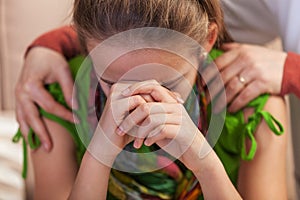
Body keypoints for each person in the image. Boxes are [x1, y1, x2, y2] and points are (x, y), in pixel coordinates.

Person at [13, 0, 288, 199]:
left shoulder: (253, 105)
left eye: (166, 83)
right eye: (113, 82)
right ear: (86, 48)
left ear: (206, 41)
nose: (142, 103)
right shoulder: (58, 99)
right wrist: (99, 155)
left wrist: (204, 162)